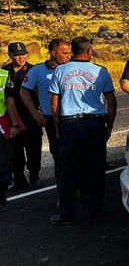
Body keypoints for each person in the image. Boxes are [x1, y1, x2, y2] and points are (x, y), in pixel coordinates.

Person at [49, 37, 116, 225]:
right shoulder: (101, 71)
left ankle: (66, 213)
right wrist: (109, 125)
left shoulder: (60, 70)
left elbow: (55, 102)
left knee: (69, 170)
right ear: (90, 51)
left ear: (72, 51)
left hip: (71, 124)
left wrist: (57, 126)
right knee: (96, 167)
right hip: (95, 123)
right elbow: (111, 101)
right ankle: (96, 211)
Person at [20, 39, 72, 190]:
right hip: (52, 121)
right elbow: (24, 92)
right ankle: (63, 194)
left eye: (70, 52)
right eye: (65, 53)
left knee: (77, 155)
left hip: (74, 119)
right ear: (53, 53)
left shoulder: (71, 68)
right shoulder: (37, 70)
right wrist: (35, 113)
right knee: (59, 157)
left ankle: (81, 189)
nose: (69, 56)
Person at [2, 42, 42, 190]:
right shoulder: (4, 72)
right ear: (10, 56)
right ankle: (19, 179)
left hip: (30, 117)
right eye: (17, 55)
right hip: (11, 117)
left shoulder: (34, 70)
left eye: (23, 54)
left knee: (33, 149)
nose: (21, 57)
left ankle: (34, 175)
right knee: (14, 151)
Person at [0, 68, 24, 212]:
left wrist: (15, 124)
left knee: (5, 165)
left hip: (1, 127)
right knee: (4, 164)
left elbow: (10, 101)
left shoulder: (3, 75)